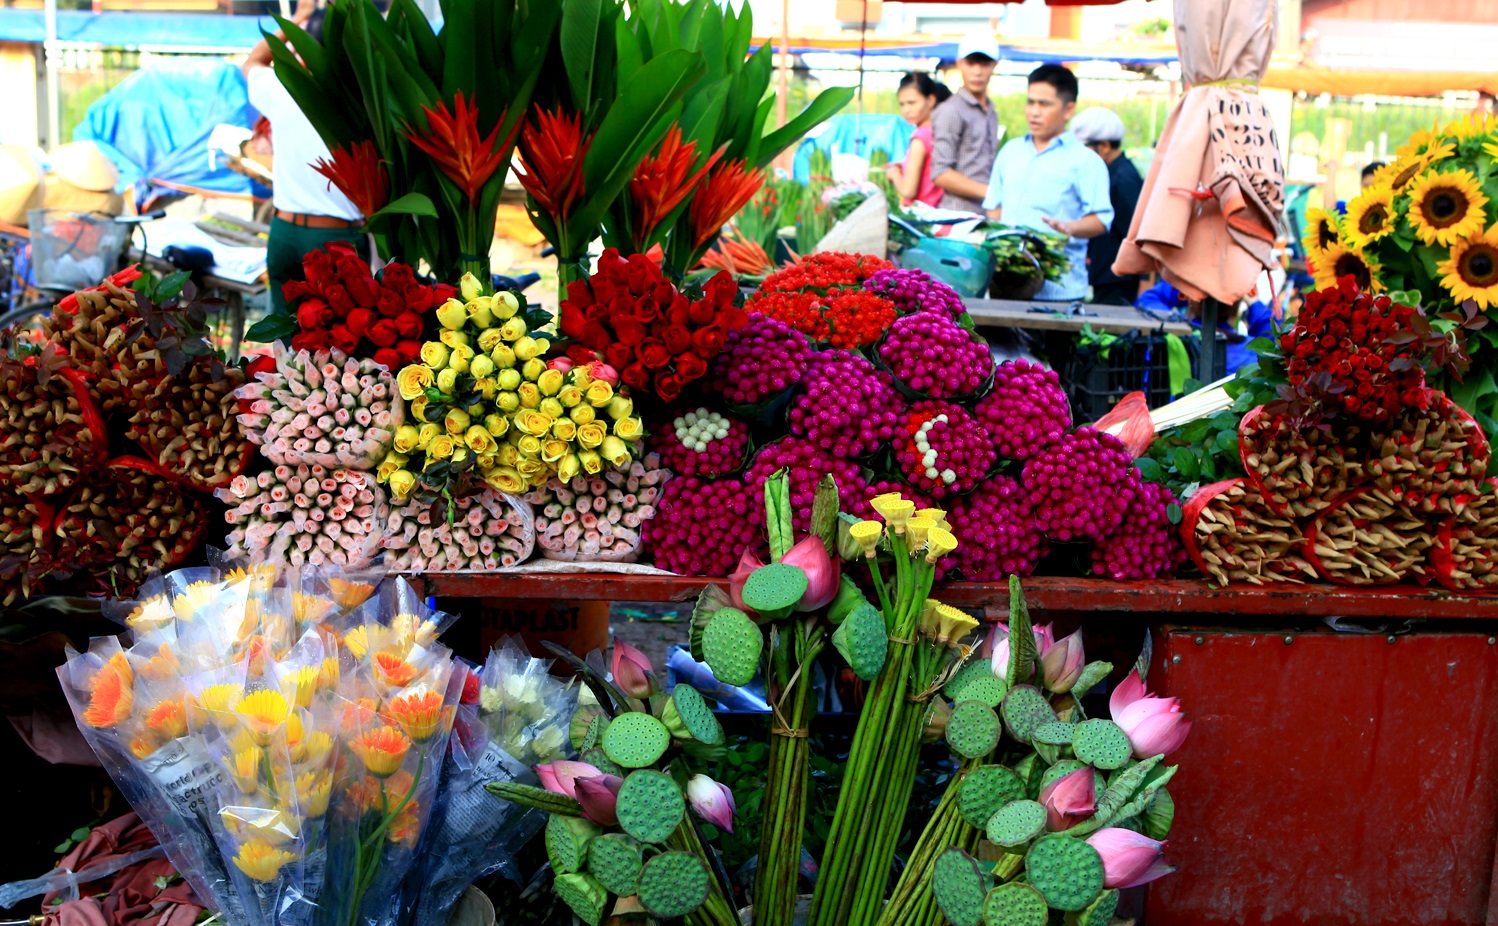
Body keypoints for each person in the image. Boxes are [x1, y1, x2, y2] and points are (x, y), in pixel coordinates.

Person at [243, 5, 368, 314]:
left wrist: (296, 20)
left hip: (284, 232)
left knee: (286, 348)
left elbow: (253, 60)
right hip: (336, 240)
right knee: (342, 353)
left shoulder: (282, 87)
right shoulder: (366, 97)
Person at [983, 64, 1112, 302]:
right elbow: (993, 207)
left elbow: (1101, 220)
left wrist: (1069, 228)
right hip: (1007, 287)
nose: (1034, 112)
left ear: (1068, 109)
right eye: (1030, 102)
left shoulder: (1086, 161)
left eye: (1044, 104)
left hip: (1060, 292)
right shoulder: (1010, 152)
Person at [1070, 107, 1145, 305]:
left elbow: (1138, 234)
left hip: (1118, 280)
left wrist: (1146, 281)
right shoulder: (1108, 173)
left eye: (1084, 148)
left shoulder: (1123, 180)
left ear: (1103, 146)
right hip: (1106, 276)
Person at [929, 34, 1000, 213]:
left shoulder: (991, 111)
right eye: (971, 63)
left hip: (984, 214)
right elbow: (940, 173)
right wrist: (992, 193)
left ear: (994, 65)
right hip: (957, 215)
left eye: (984, 63)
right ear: (959, 63)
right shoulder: (951, 110)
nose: (977, 71)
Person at [884, 72, 951, 208]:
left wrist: (894, 174)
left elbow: (909, 191)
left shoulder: (920, 138)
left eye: (912, 103)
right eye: (902, 104)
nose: (906, 110)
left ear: (930, 100)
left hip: (919, 216)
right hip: (938, 210)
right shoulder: (942, 131)